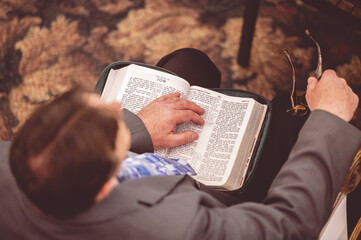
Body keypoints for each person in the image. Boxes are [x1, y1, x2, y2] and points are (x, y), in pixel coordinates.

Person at [0, 48, 360, 239]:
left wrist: (137, 129)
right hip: (217, 199)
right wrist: (328, 118)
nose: (116, 108)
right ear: (110, 180)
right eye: (114, 126)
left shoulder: (9, 162)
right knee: (283, 124)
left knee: (188, 64)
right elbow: (288, 227)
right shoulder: (179, 227)